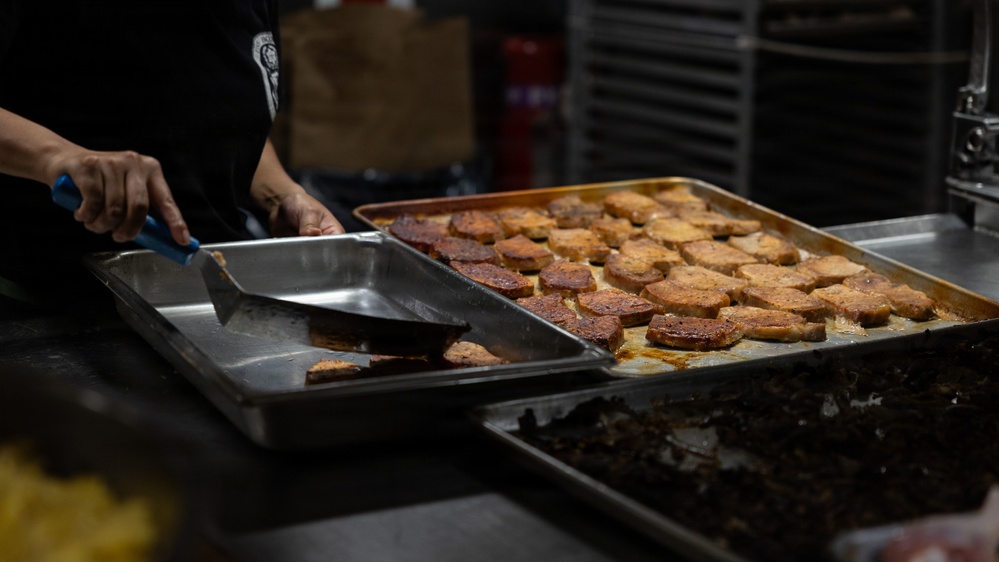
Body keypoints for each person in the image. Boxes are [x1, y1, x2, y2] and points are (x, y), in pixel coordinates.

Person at [0, 1, 344, 306]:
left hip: (210, 301)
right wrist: (56, 157)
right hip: (52, 308)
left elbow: (225, 124)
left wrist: (282, 195)